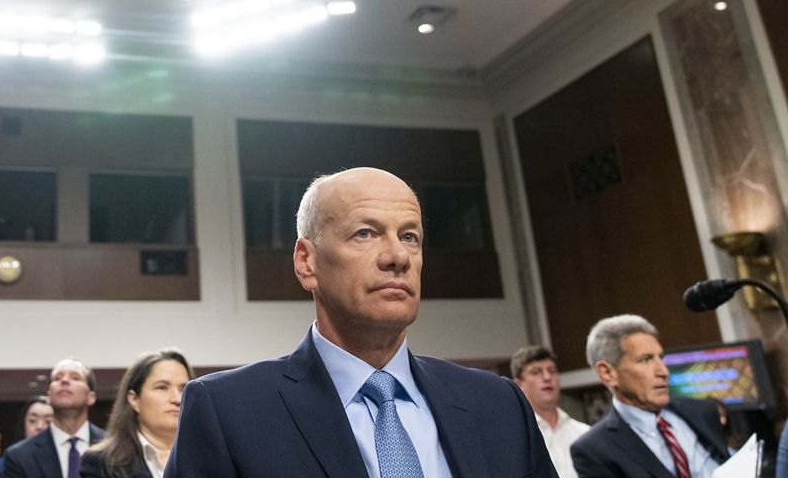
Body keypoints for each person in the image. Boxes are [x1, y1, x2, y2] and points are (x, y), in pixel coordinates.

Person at [165, 167, 557, 478]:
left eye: (410, 237)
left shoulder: (499, 404)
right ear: (307, 262)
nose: (397, 257)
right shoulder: (228, 411)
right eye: (365, 233)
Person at [571, 314, 730, 478]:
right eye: (645, 360)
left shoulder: (703, 411)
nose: (663, 372)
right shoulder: (594, 450)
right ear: (608, 373)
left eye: (661, 358)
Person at [80, 349, 192, 478]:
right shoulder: (101, 463)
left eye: (183, 389)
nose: (177, 399)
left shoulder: (209, 457)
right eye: (162, 387)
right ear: (134, 399)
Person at [3, 359, 105, 478]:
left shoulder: (115, 448)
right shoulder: (19, 455)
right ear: (49, 397)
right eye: (57, 378)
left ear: (90, 397)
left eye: (75, 377)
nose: (64, 380)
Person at [511, 345, 589, 478]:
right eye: (536, 372)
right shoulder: (515, 438)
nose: (547, 377)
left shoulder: (584, 433)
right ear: (519, 385)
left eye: (552, 371)